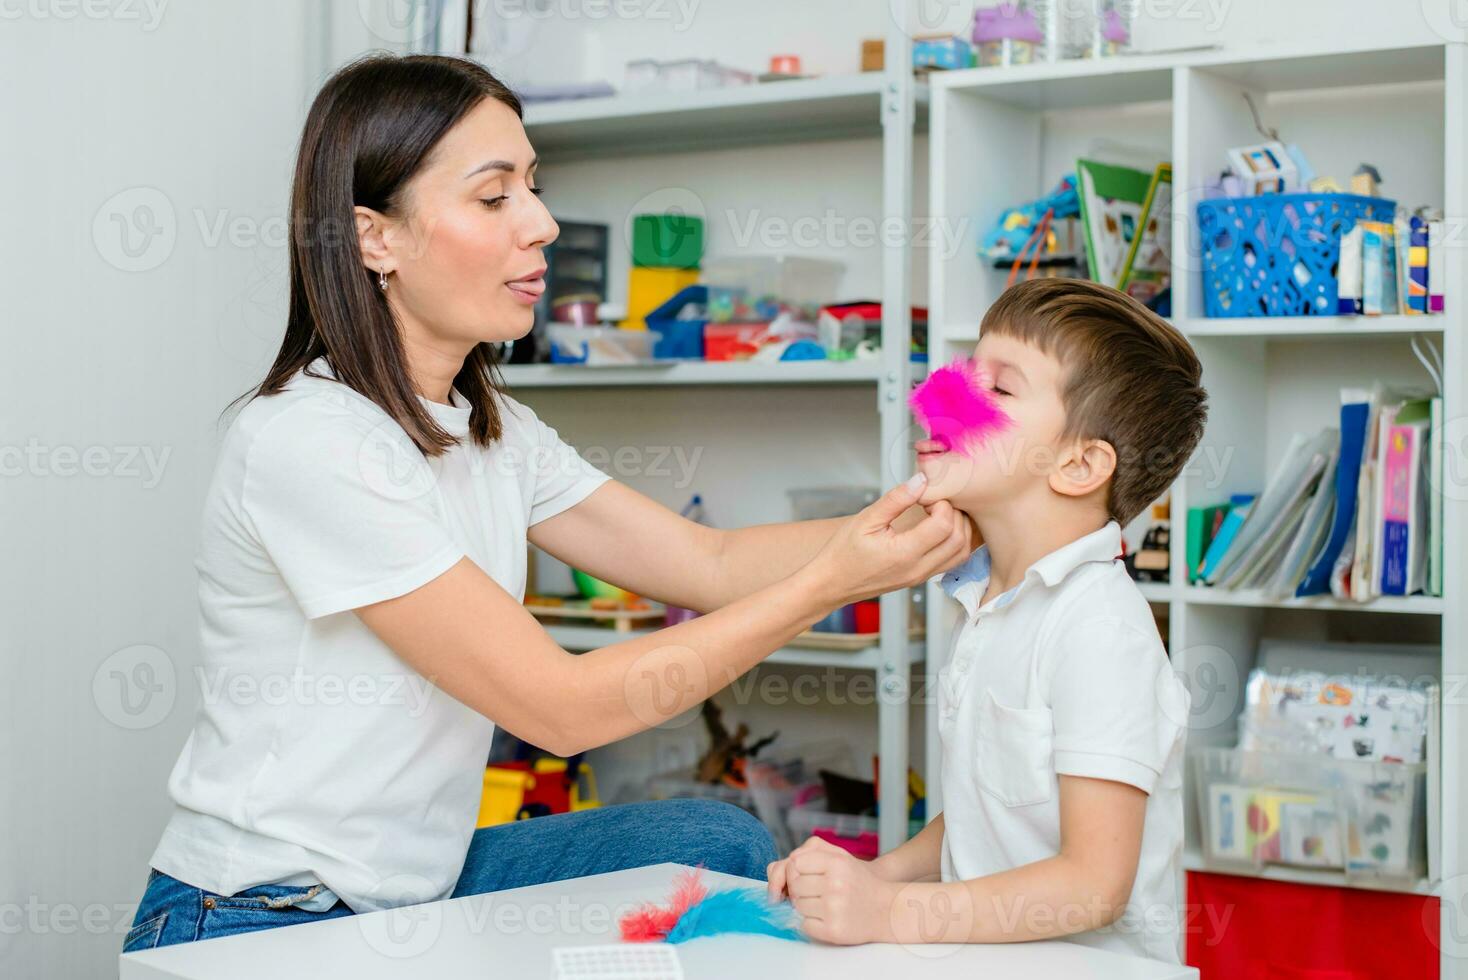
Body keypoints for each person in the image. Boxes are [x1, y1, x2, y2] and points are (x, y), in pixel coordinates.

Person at [123, 53, 974, 953]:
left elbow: (706, 564)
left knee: (713, 840)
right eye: (494, 198)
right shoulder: (312, 441)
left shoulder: (496, 429)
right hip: (261, 913)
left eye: (533, 186)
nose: (542, 224)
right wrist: (834, 584)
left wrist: (917, 520)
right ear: (375, 239)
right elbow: (561, 710)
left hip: (421, 887)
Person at [769, 278, 1205, 964]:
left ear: (1080, 463)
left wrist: (889, 911)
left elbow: (1094, 885)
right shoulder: (987, 600)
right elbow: (993, 806)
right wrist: (875, 876)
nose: (943, 395)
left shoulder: (1099, 629)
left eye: (997, 390)